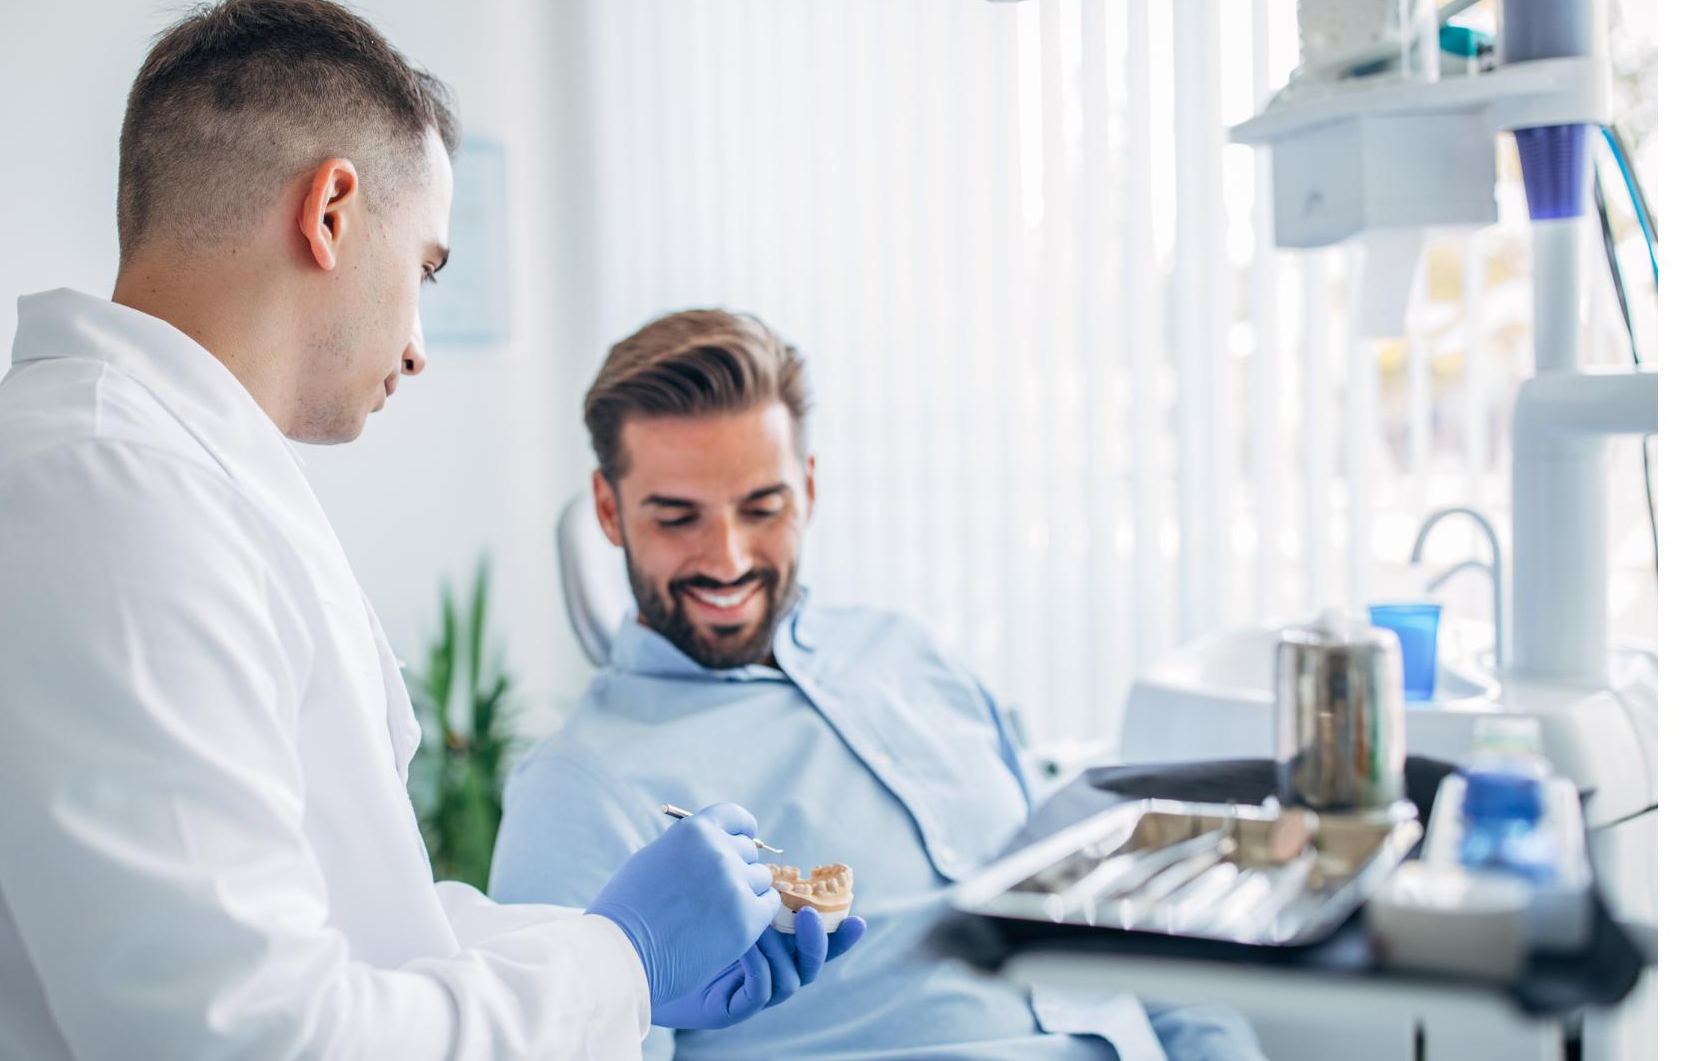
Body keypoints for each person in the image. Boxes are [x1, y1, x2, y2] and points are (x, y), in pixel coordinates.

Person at [0, 0, 852, 1059]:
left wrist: (628, 971)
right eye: (425, 267)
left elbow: (358, 931)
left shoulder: (163, 481)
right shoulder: (101, 503)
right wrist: (624, 959)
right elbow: (252, 1038)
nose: (419, 345)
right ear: (331, 210)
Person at [489, 310, 1267, 1059]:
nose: (726, 559)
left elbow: (1100, 907)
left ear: (811, 489)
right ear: (609, 510)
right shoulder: (578, 791)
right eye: (677, 518)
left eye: (763, 508)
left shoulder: (909, 654)